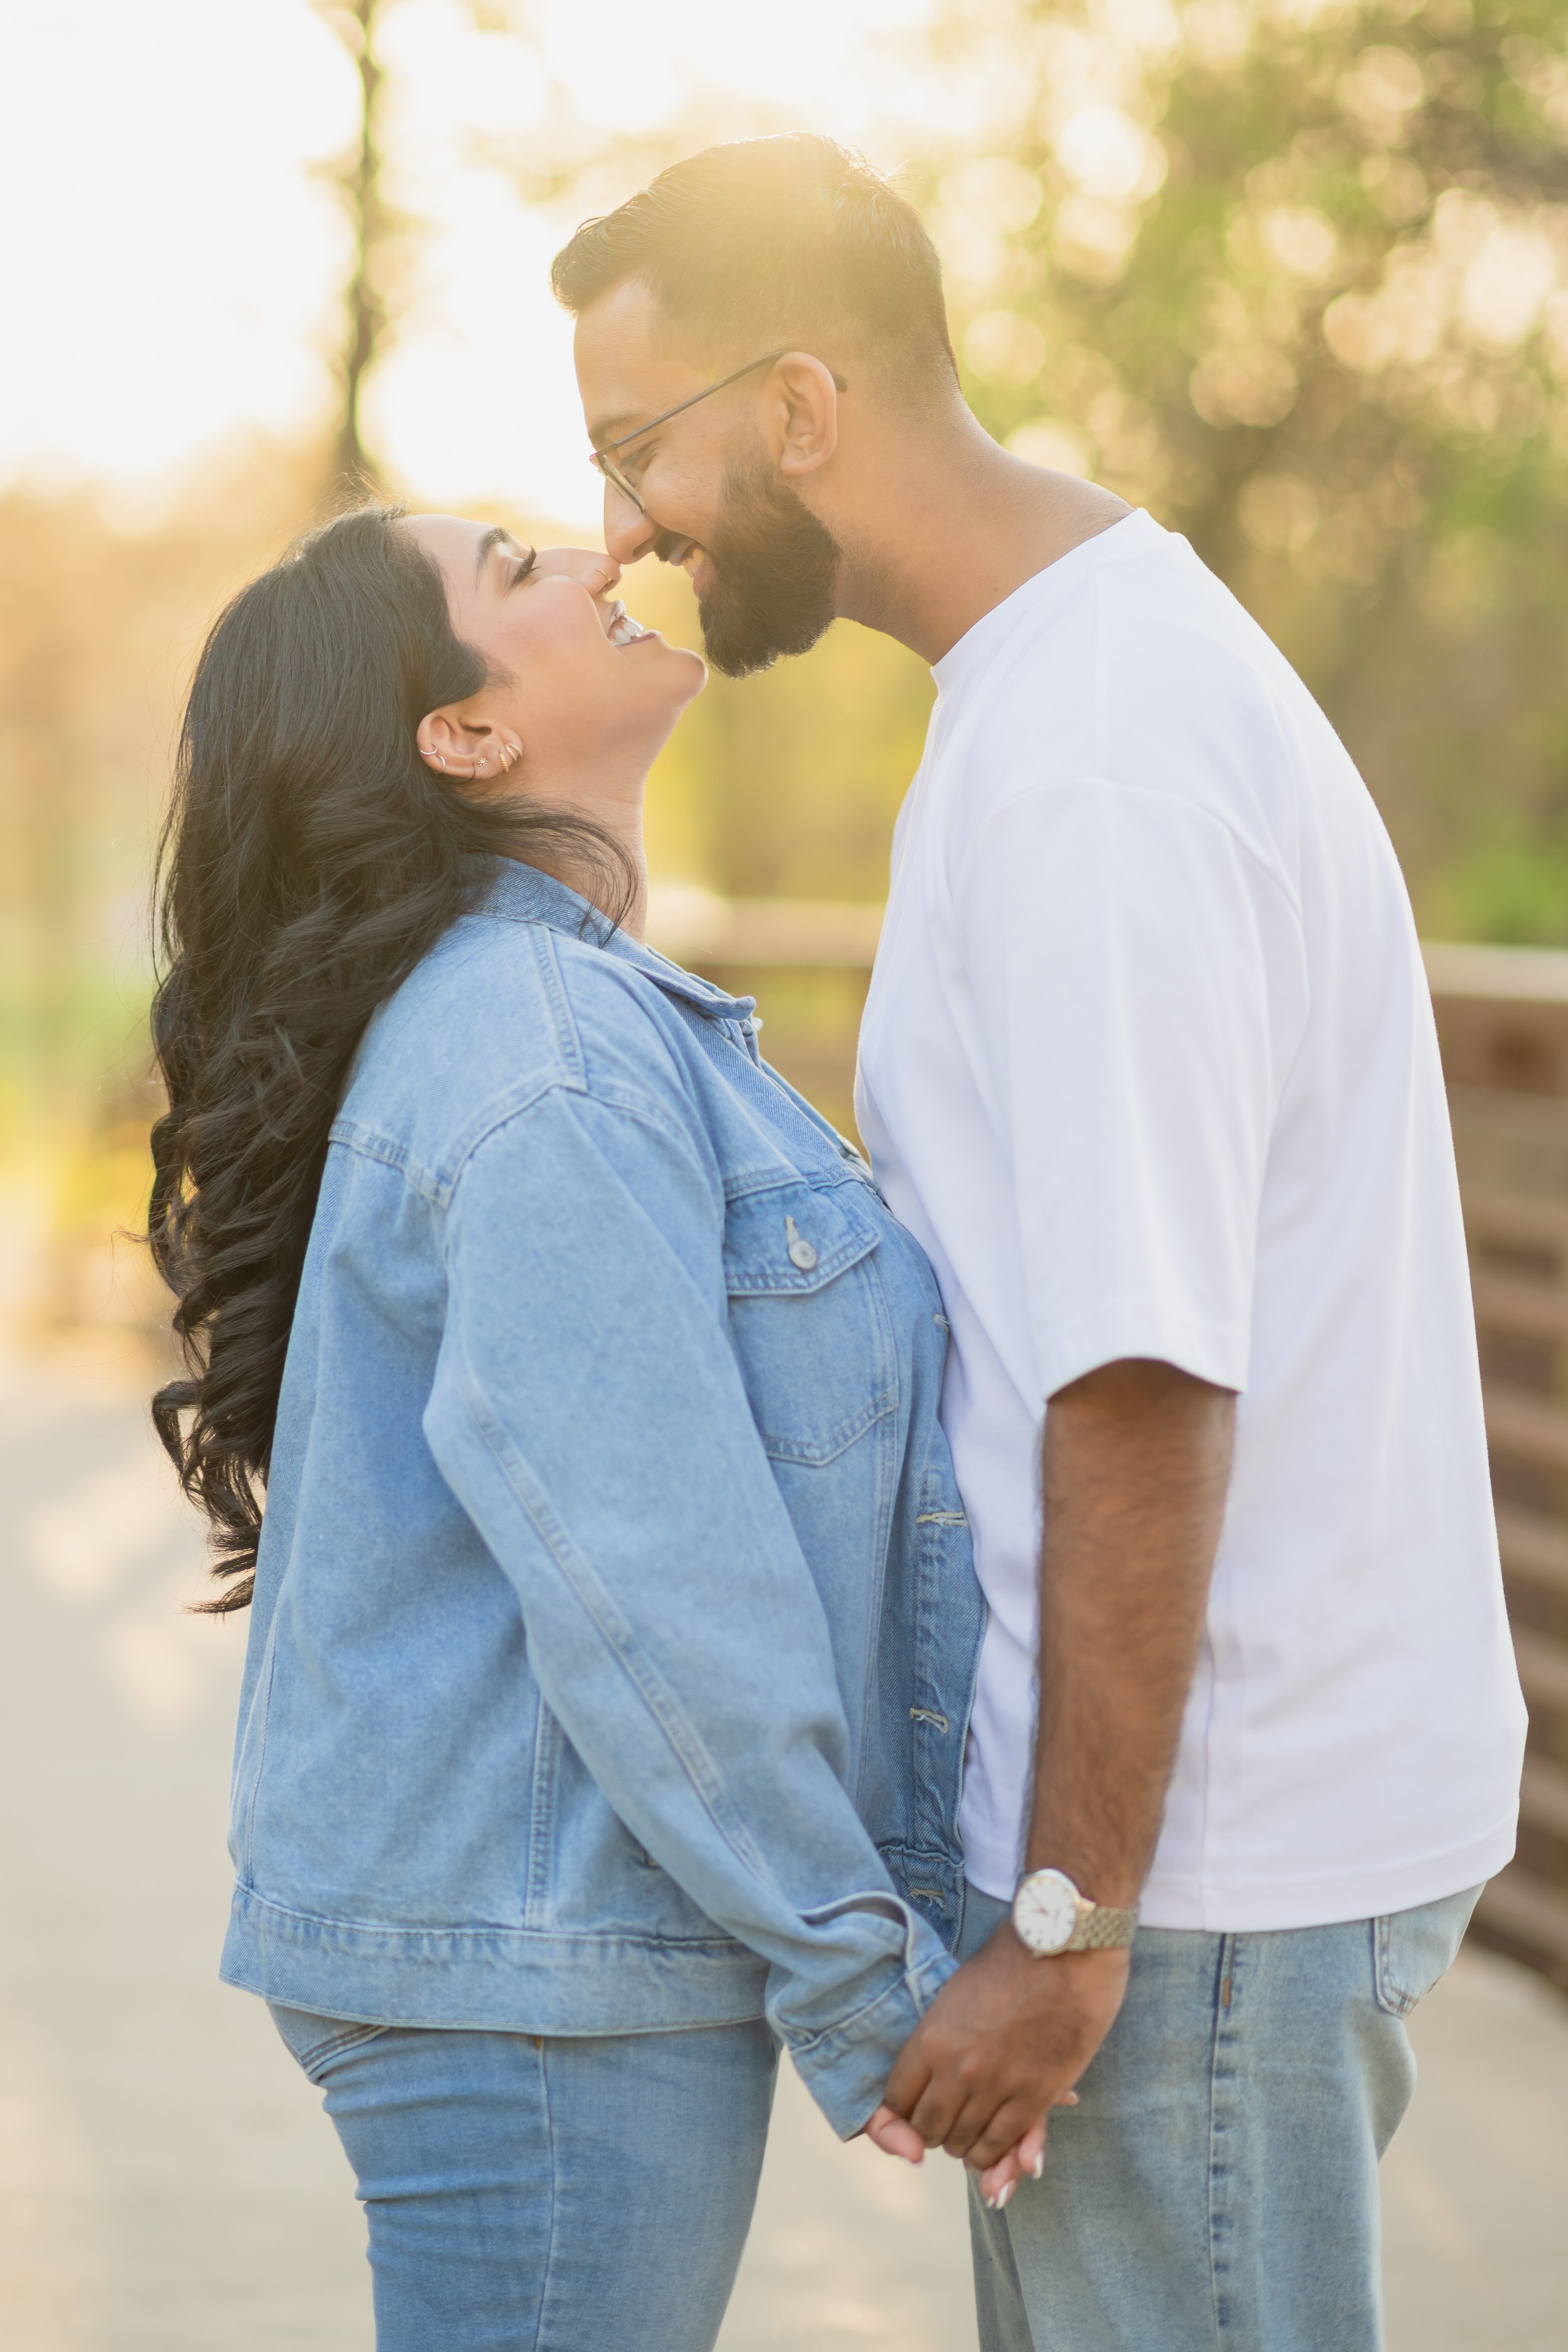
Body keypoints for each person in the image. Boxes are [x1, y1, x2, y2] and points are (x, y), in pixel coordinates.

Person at [554, 133, 1528, 2349]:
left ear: (799, 407)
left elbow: (1141, 1375)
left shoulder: (1091, 757)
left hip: (1194, 1882)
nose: (622, 524)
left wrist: (1072, 1917)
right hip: (1187, 1858)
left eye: (637, 448)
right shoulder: (1059, 672)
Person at [146, 504, 1014, 2351]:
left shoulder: (554, 1014)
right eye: (517, 568)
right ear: (462, 735)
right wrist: (859, 1980)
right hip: (533, 1963)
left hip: (527, 1940)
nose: (598, 557)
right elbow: (648, 1566)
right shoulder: (542, 1042)